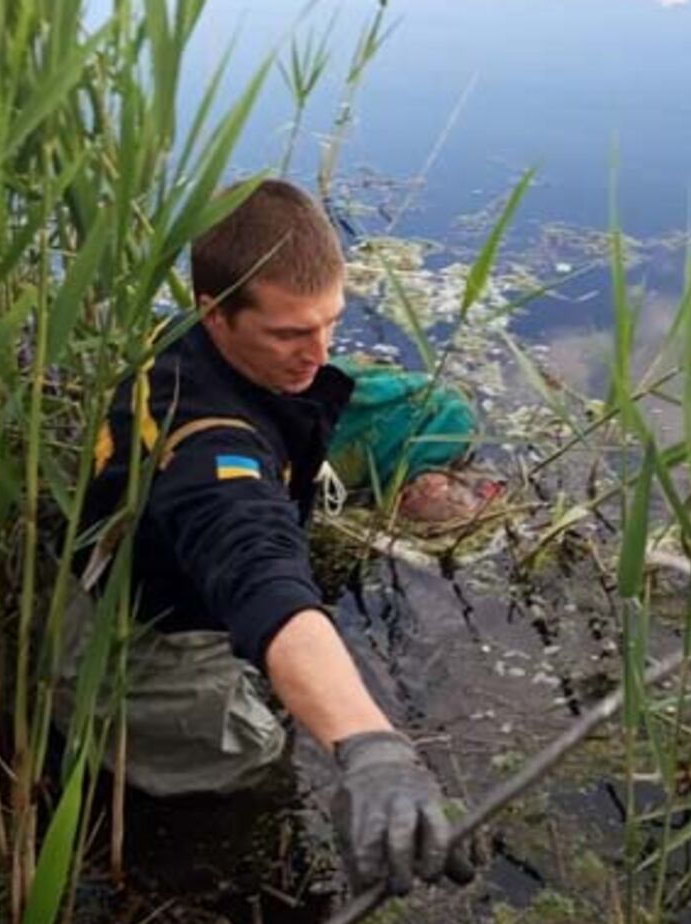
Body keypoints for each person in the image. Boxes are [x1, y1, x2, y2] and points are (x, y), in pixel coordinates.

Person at [58, 178, 477, 897]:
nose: (316, 355)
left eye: (329, 324)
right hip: (148, 652)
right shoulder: (211, 454)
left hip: (137, 575)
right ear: (214, 314)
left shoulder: (193, 340)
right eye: (288, 334)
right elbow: (264, 580)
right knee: (250, 783)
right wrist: (372, 748)